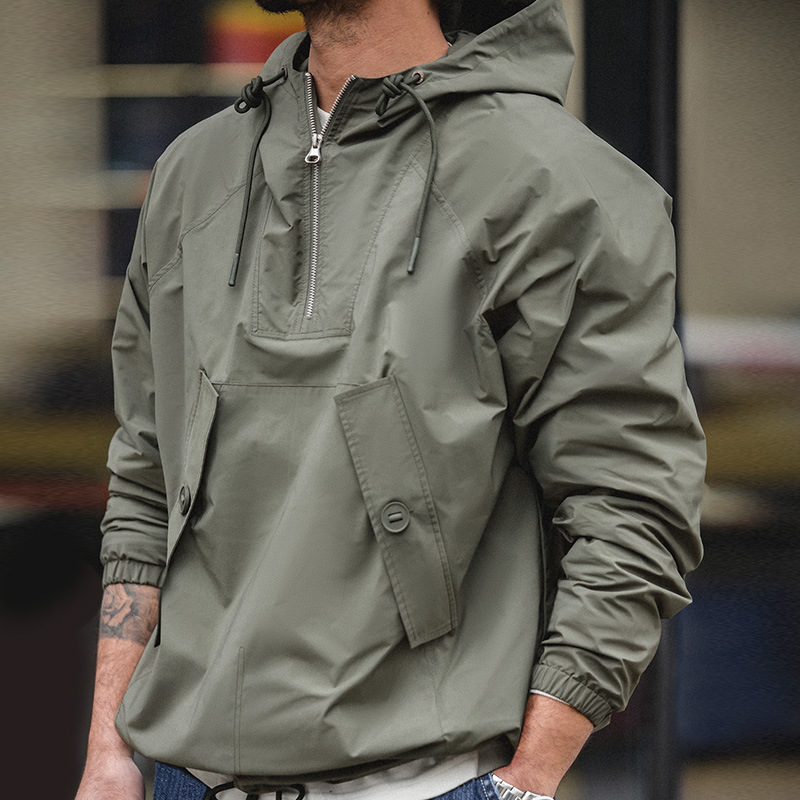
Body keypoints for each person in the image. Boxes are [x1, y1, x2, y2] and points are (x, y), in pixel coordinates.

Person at [76, 1, 705, 799]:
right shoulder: (191, 173)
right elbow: (145, 480)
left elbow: (631, 502)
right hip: (180, 779)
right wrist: (108, 750)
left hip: (427, 783)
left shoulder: (552, 180)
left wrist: (529, 779)